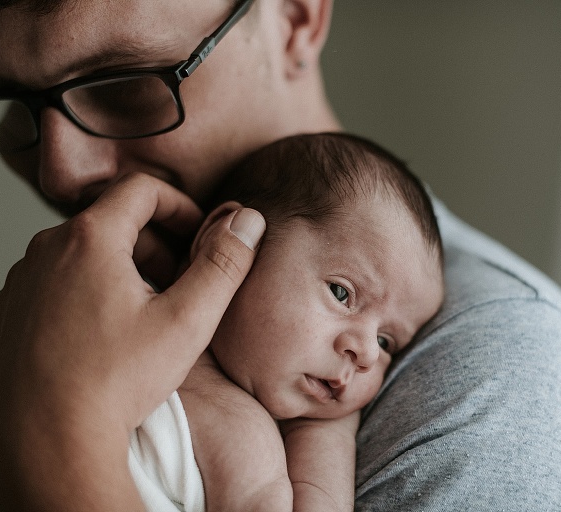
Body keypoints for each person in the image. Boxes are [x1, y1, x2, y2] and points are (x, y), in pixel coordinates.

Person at [0, 0, 561, 510]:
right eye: (9, 101)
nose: (61, 174)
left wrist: (55, 447)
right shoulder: (82, 291)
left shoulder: (496, 393)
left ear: (297, 19)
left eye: (124, 85)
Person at [129, 132, 444, 511]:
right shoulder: (125, 312)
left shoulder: (302, 430)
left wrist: (328, 430)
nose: (365, 354)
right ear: (231, 240)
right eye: (341, 293)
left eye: (386, 342)